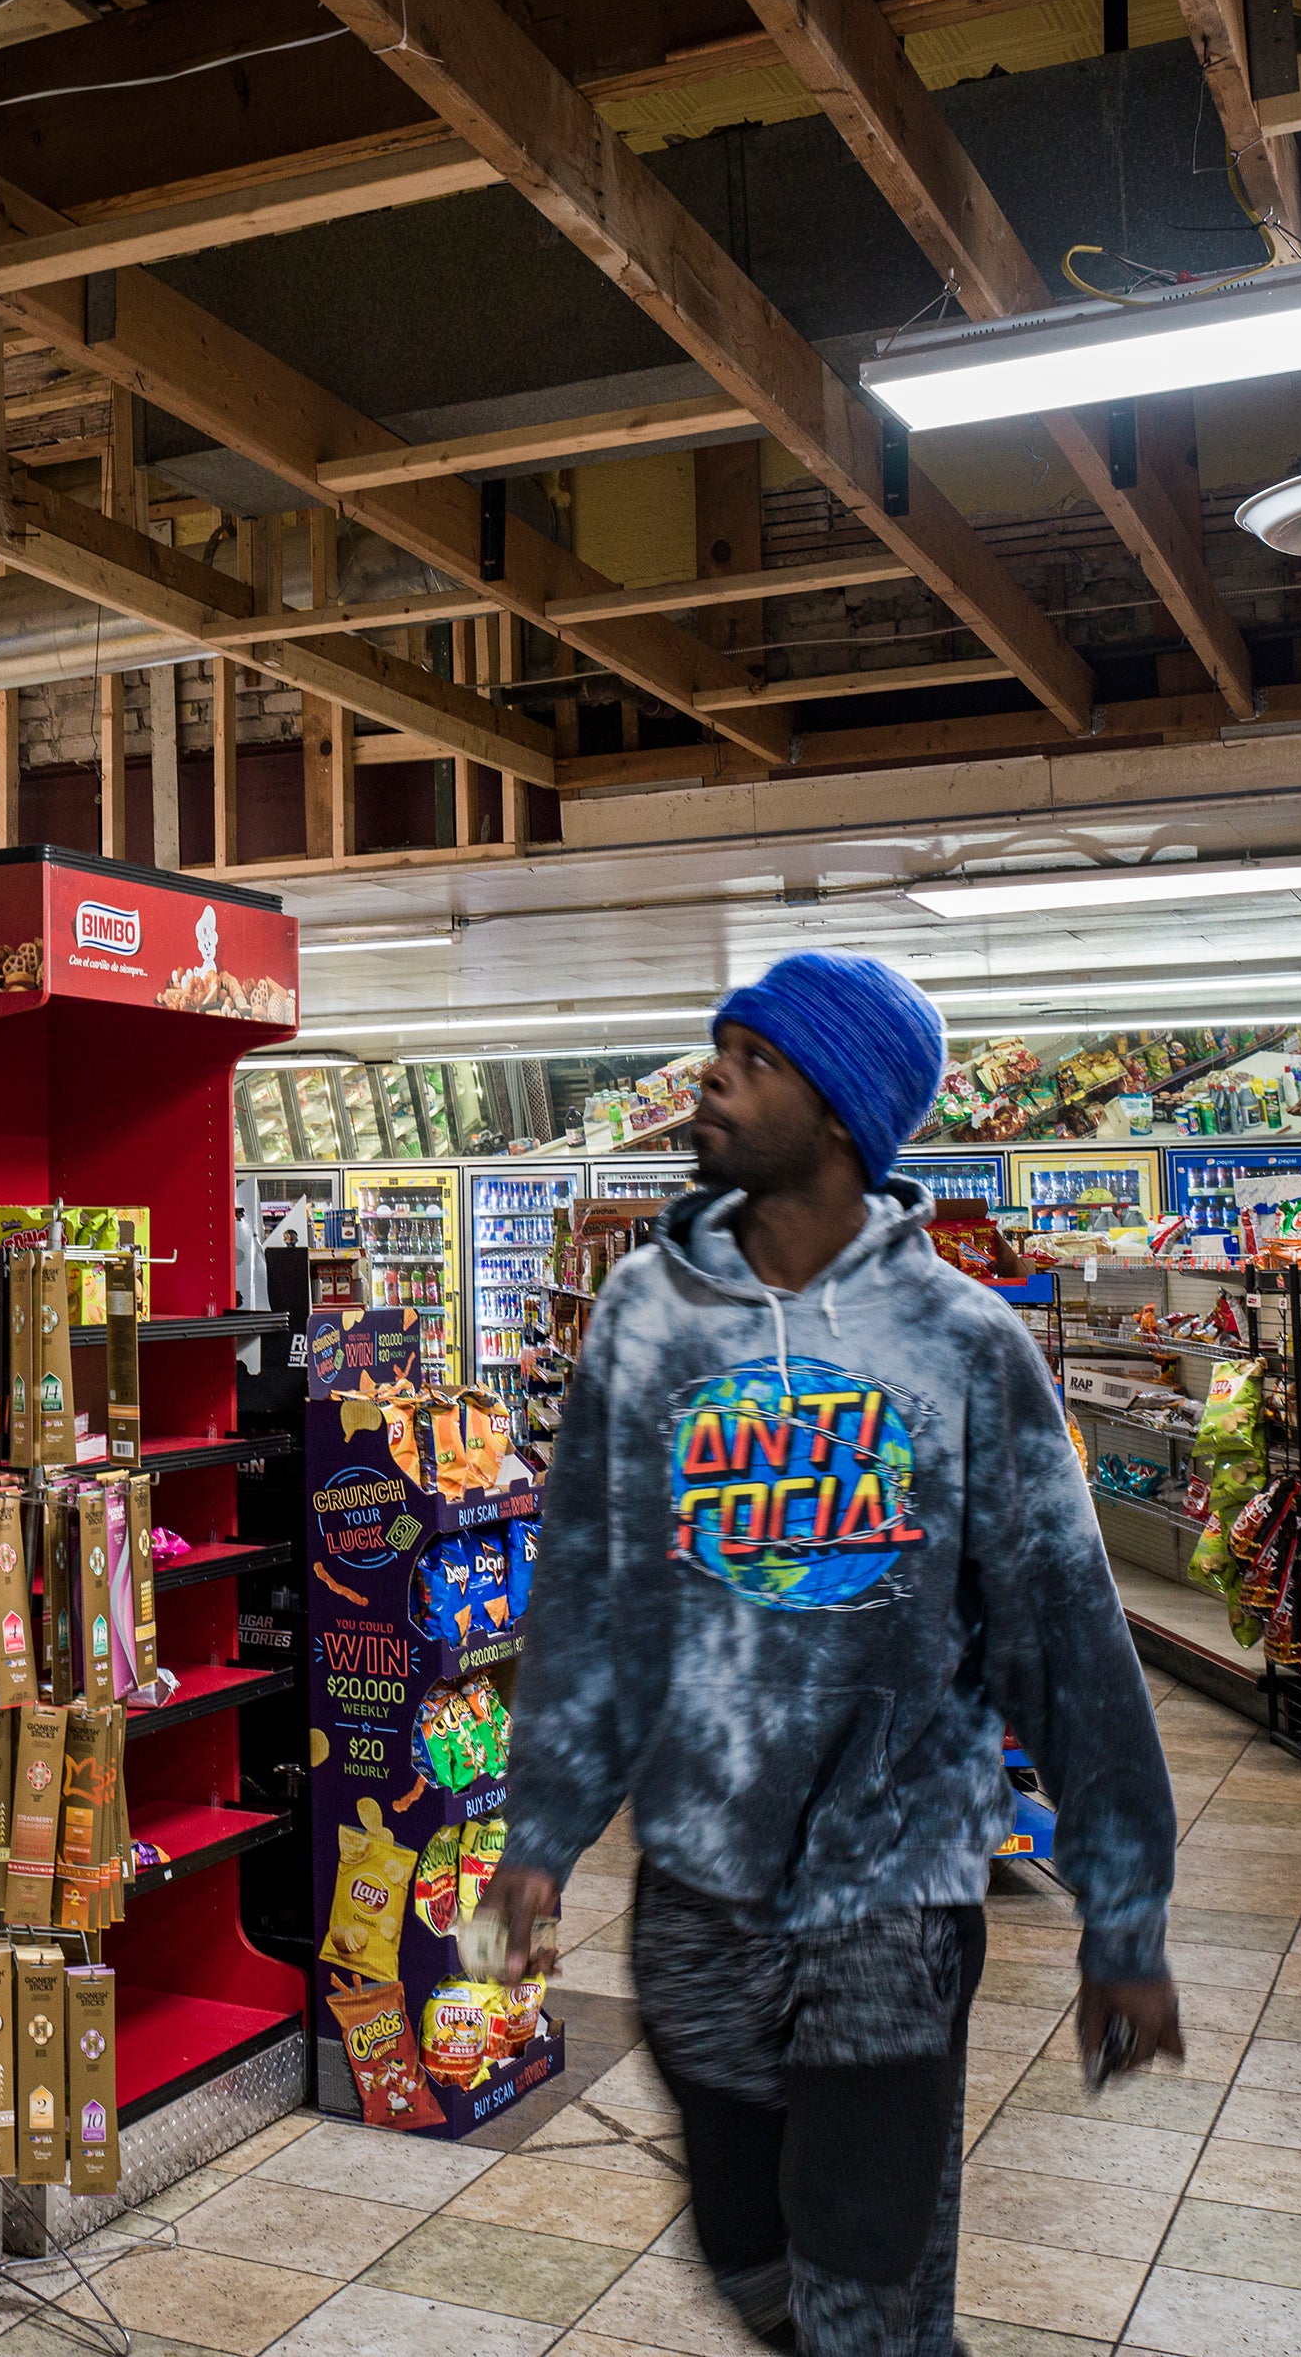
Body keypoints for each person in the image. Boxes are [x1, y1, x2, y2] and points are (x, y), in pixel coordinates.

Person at [483, 950, 1181, 2357]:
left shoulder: (965, 1342)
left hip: (895, 1885)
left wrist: (1126, 1912)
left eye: (758, 1053)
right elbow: (593, 1591)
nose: (714, 1074)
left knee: (867, 2270)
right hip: (696, 1891)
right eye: (719, 1042)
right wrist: (543, 1828)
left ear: (847, 1109)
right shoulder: (644, 1316)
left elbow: (1065, 1634)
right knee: (751, 2258)